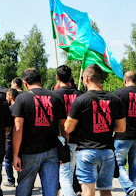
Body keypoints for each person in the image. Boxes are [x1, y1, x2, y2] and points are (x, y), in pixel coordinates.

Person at [65, 64, 126, 196]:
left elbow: (68, 128)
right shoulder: (115, 99)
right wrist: (106, 126)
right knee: (105, 190)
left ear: (86, 79)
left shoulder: (80, 100)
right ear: (101, 79)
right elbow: (121, 127)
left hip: (87, 151)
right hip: (108, 152)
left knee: (87, 191)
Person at [12, 68, 67, 196]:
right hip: (52, 151)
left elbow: (18, 128)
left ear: (25, 83)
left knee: (24, 190)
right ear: (41, 81)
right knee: (50, 191)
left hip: (28, 152)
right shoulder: (56, 97)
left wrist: (15, 155)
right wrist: (65, 146)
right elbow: (64, 126)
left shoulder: (22, 99)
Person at [54, 65, 82, 196]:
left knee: (64, 176)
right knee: (70, 173)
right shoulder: (80, 95)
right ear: (71, 77)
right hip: (79, 140)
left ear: (57, 78)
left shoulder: (53, 96)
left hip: (61, 141)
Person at [113, 71, 136, 196]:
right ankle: (132, 189)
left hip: (122, 136)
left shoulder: (119, 93)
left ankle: (130, 188)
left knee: (118, 164)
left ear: (125, 81)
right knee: (135, 168)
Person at [4, 88, 19, 187]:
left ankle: (11, 180)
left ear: (11, 96)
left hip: (10, 138)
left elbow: (7, 126)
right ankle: (21, 179)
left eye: (7, 95)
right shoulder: (21, 107)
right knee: (20, 159)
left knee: (8, 160)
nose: (6, 98)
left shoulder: (9, 109)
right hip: (20, 137)